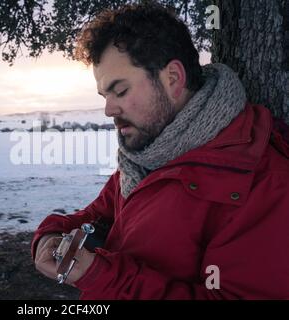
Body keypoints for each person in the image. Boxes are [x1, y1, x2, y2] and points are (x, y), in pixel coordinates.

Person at [32, 2, 289, 299]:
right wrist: (50, 236)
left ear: (173, 79)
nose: (108, 109)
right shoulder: (145, 157)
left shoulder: (262, 183)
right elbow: (98, 216)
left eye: (121, 90)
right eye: (105, 95)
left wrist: (101, 276)